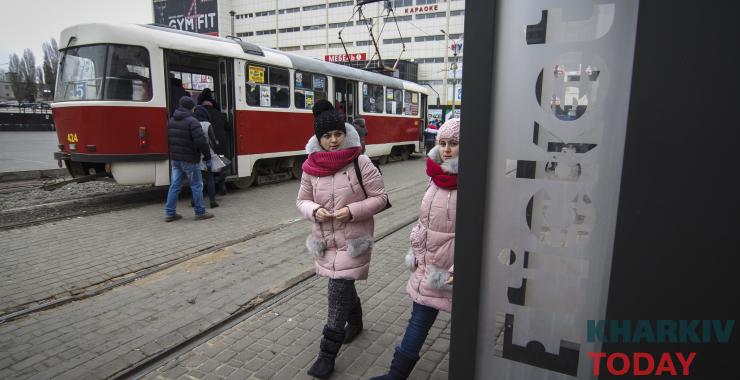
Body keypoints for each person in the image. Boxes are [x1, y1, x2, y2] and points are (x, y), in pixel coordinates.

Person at [296, 99, 389, 379]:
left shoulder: (360, 161)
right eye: (326, 136)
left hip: (353, 239)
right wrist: (315, 211)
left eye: (337, 134)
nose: (333, 140)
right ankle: (357, 321)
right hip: (326, 239)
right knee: (343, 284)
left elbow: (381, 199)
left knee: (336, 291)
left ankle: (327, 355)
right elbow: (302, 200)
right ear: (318, 139)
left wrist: (352, 211)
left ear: (345, 132)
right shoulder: (310, 167)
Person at [370, 118, 460, 380]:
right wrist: (416, 242)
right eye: (442, 143)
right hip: (430, 263)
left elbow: (479, 232)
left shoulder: (474, 183)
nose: (446, 149)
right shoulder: (436, 177)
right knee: (419, 317)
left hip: (452, 268)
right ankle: (396, 374)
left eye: (453, 144)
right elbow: (425, 220)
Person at [164, 96, 215, 222]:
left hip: (176, 159)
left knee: (175, 186)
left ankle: (170, 213)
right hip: (190, 160)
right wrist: (207, 156)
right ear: (191, 108)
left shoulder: (171, 121)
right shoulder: (192, 121)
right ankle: (200, 212)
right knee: (197, 185)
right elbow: (201, 141)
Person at [198, 88, 230, 195]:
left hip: (205, 147)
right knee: (222, 163)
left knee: (205, 167)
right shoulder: (221, 114)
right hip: (220, 146)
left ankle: (205, 188)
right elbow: (228, 128)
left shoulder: (198, 115)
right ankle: (222, 184)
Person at [193, 105, 219, 208]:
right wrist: (217, 145)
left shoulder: (193, 123)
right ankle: (212, 201)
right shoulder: (207, 124)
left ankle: (194, 201)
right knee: (209, 178)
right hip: (208, 154)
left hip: (196, 155)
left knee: (196, 180)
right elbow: (213, 139)